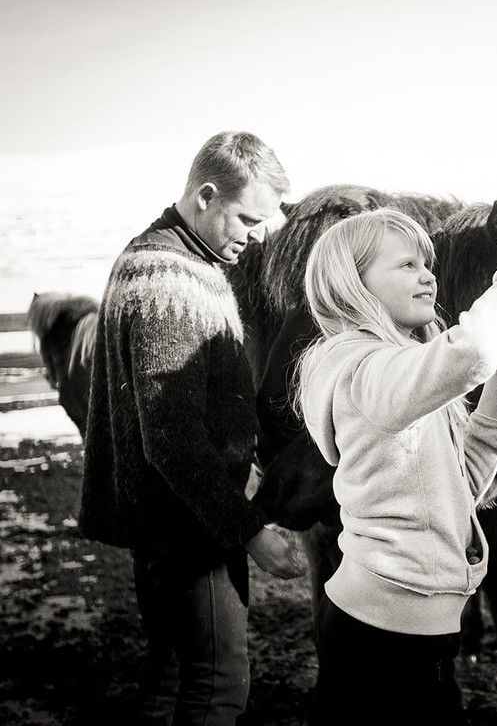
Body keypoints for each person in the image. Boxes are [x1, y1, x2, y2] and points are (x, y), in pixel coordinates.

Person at [296, 202, 497, 724]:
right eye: (405, 266)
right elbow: (469, 349)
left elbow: (459, 487)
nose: (428, 277)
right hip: (381, 639)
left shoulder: (395, 379)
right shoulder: (361, 371)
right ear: (351, 284)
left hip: (419, 633)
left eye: (427, 264)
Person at [78, 130, 304, 725]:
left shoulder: (159, 258)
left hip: (165, 520)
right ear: (206, 195)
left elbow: (179, 415)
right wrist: (251, 532)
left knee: (171, 674)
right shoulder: (168, 284)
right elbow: (171, 440)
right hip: (188, 531)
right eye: (246, 218)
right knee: (220, 685)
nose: (255, 236)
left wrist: (240, 458)